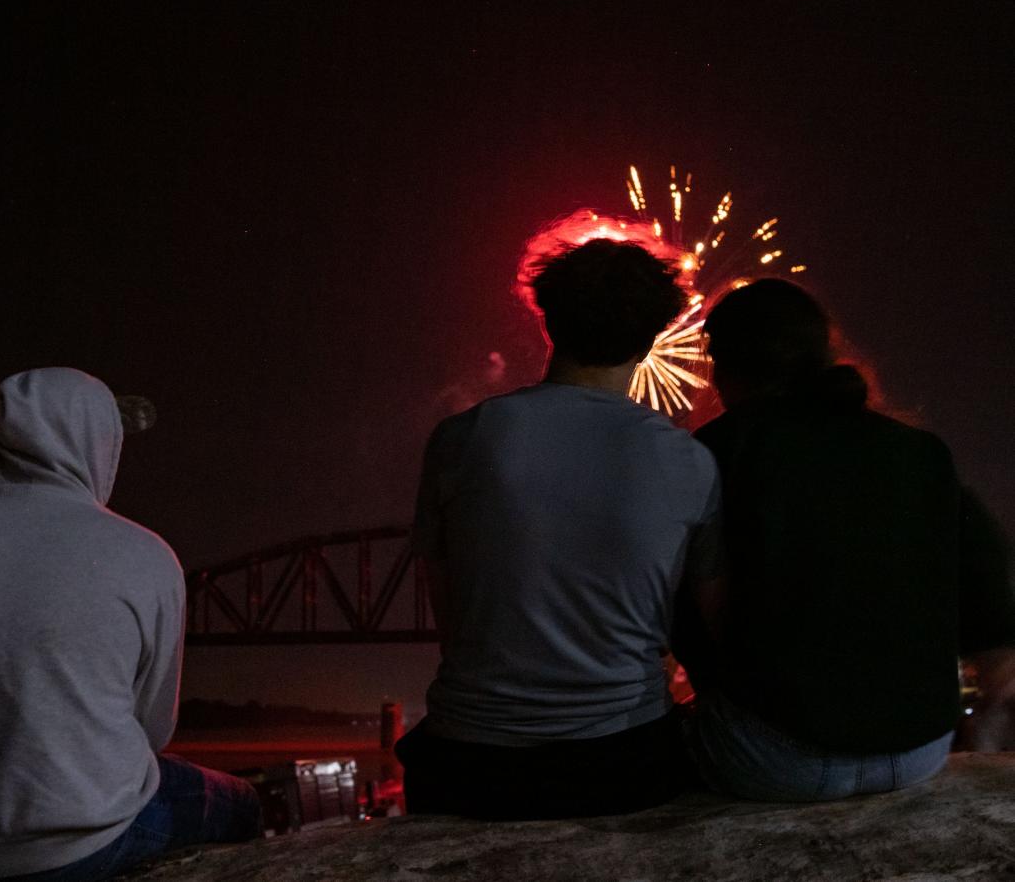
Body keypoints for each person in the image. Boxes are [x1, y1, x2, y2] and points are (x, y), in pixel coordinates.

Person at [0, 368, 261, 881]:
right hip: (73, 849)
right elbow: (153, 730)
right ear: (94, 445)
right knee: (242, 802)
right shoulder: (145, 554)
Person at [396, 238, 723, 819]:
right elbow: (705, 626)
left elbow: (452, 616)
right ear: (652, 342)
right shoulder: (689, 461)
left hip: (471, 762)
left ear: (548, 325)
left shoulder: (462, 439)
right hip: (622, 762)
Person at [682, 278, 1015, 801]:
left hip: (777, 758)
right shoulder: (921, 452)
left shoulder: (718, 450)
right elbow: (992, 598)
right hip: (919, 751)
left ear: (723, 366)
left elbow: (673, 605)